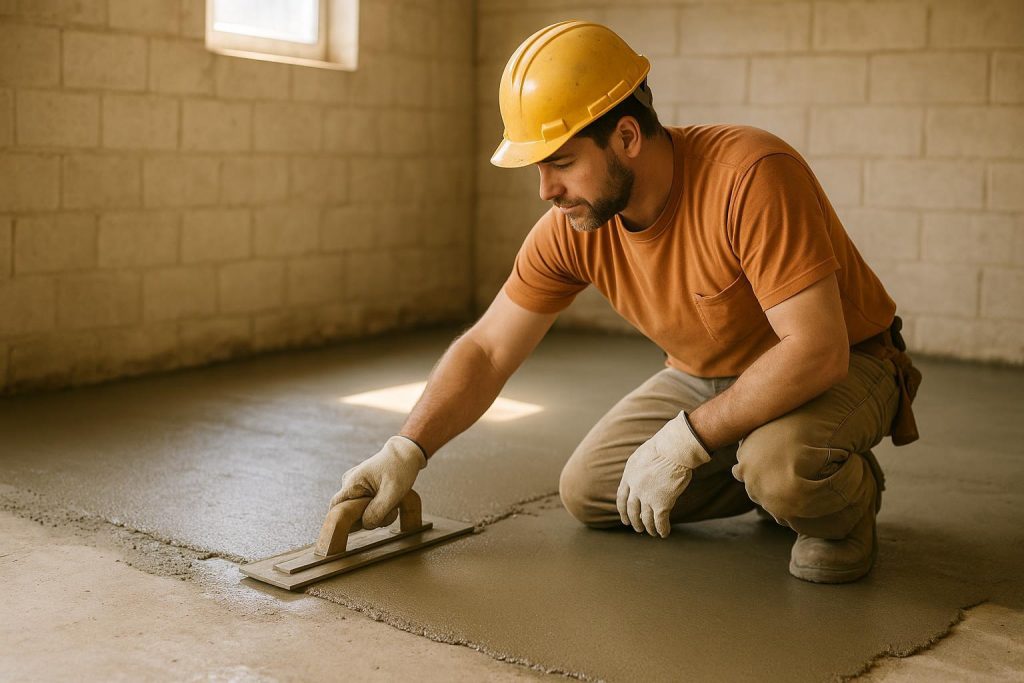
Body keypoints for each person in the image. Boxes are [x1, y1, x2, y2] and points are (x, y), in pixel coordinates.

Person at [330, 20, 923, 583]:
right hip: (706, 377)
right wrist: (407, 449)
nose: (547, 191)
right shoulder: (573, 224)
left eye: (562, 163)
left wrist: (684, 442)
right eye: (539, 168)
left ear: (627, 136)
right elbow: (488, 348)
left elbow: (817, 351)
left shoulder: (750, 175)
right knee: (591, 490)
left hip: (847, 360)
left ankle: (839, 503)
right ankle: (770, 468)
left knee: (784, 467)